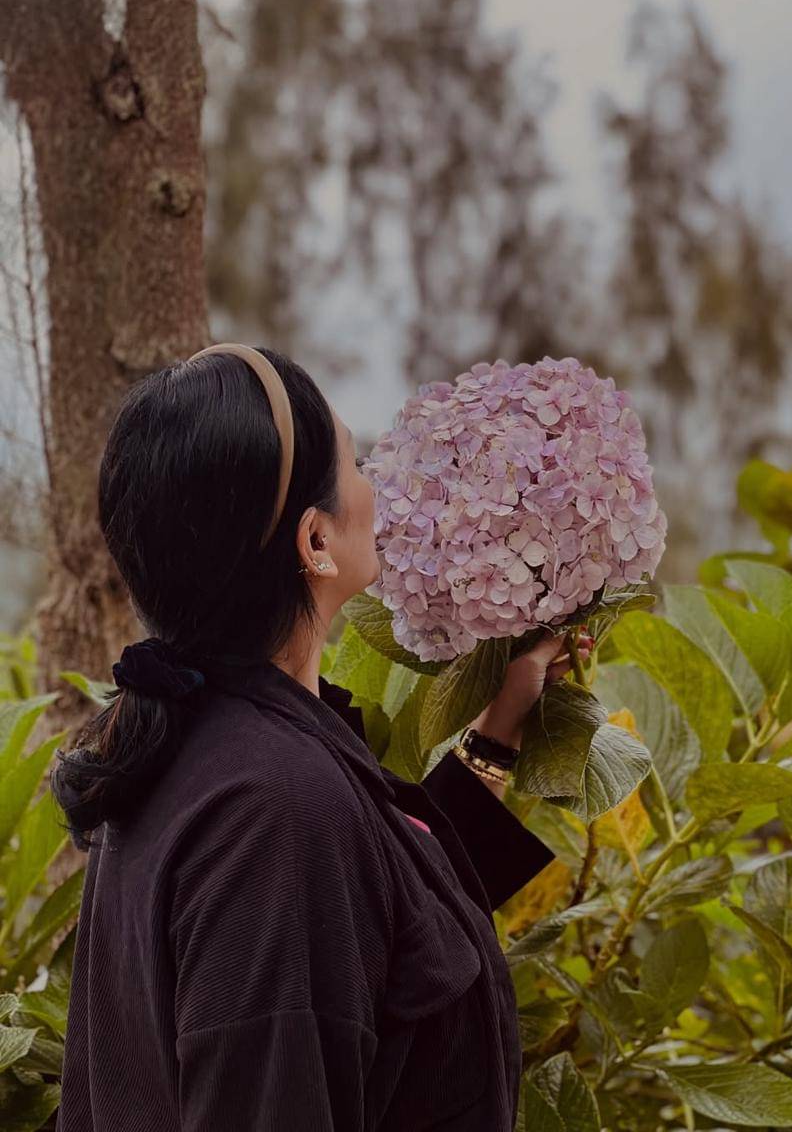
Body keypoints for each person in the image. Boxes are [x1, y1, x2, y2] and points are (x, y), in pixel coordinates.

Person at [51, 344, 592, 1131]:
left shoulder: (196, 744)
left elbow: (376, 929)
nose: (379, 487)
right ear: (315, 542)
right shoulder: (275, 813)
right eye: (354, 462)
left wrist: (501, 725)